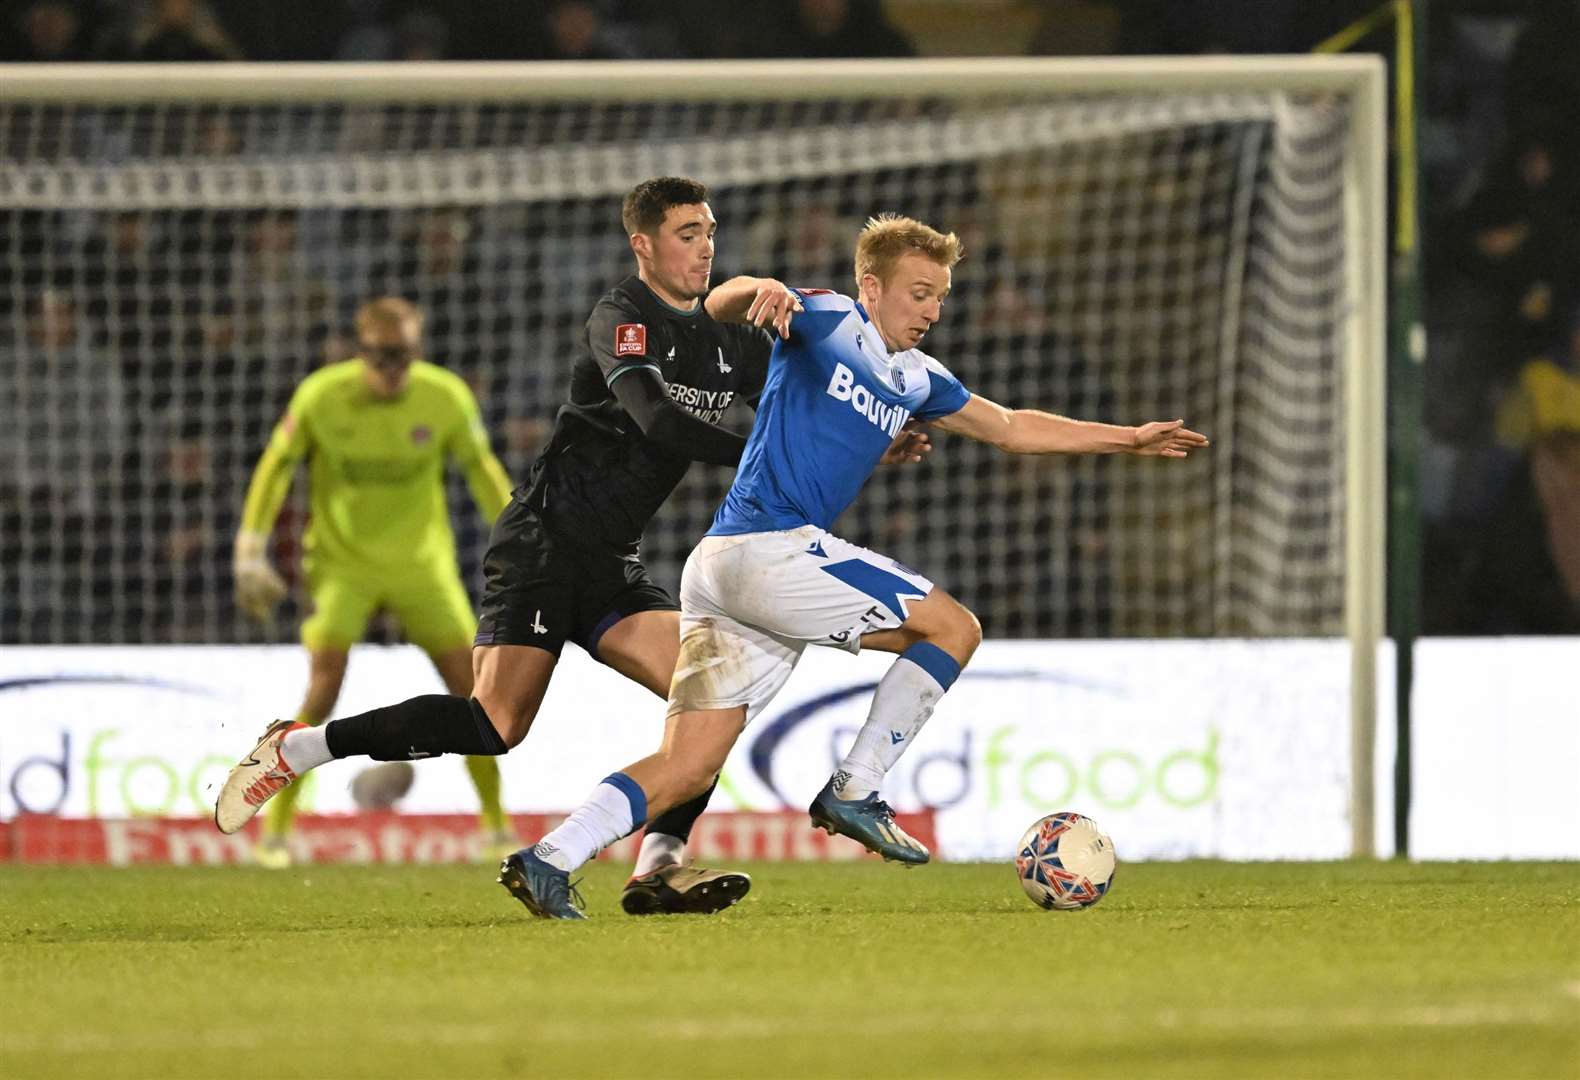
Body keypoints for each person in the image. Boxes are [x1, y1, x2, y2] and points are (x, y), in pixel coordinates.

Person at [215, 177, 930, 914]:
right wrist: (763, 455)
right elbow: (656, 419)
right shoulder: (622, 315)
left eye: (710, 231)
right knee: (494, 725)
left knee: (715, 700)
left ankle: (659, 865)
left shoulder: (726, 347)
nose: (705, 246)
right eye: (687, 233)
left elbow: (806, 400)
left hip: (612, 565)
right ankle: (298, 748)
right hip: (544, 545)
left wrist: (875, 435)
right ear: (643, 244)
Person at [498, 213, 1208, 918]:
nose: (931, 310)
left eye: (940, 296)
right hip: (767, 549)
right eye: (918, 292)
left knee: (688, 767)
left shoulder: (918, 378)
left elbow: (1013, 427)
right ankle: (856, 788)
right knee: (953, 628)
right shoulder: (831, 320)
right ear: (872, 285)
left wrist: (1129, 439)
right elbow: (722, 304)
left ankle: (548, 858)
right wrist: (759, 288)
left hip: (722, 568)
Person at [230, 296, 516, 867]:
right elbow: (275, 465)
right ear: (360, 351)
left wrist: (522, 540)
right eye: (384, 357)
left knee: (474, 693)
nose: (394, 370)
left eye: (405, 356)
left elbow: (483, 473)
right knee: (324, 687)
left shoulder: (443, 396)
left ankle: (495, 825)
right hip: (342, 565)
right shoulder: (321, 396)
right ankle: (278, 832)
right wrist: (249, 546)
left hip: (421, 564)